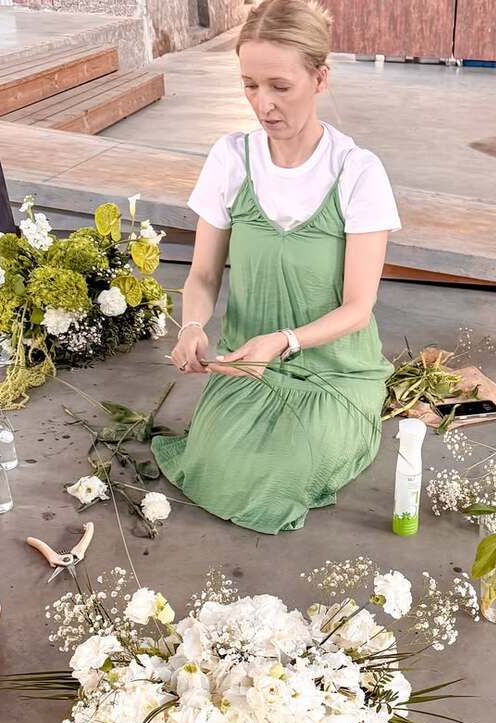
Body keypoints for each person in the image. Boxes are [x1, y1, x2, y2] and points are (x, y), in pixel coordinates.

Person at [152, 0, 400, 533]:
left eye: (280, 87)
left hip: (336, 372)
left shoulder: (357, 172)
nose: (263, 104)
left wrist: (282, 341)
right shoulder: (230, 158)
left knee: (280, 471)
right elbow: (203, 275)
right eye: (249, 85)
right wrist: (192, 325)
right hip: (247, 363)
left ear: (320, 78)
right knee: (221, 465)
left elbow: (359, 307)